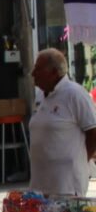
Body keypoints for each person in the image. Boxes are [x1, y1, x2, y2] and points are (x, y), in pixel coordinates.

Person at [30, 49, 96, 197]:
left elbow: (93, 132)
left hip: (67, 186)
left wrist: (80, 160)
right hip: (40, 185)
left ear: (54, 72)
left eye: (38, 69)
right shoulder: (40, 95)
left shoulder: (75, 94)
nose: (33, 73)